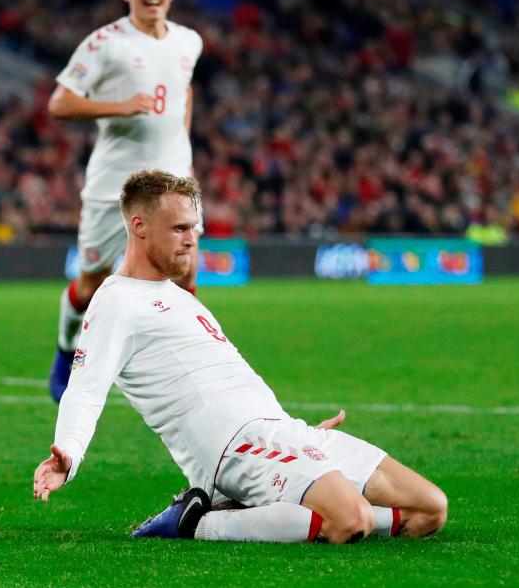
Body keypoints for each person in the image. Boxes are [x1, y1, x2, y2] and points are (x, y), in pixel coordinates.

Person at [33, 170, 448, 544]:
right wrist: (68, 455)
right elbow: (84, 389)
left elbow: (227, 378)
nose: (191, 239)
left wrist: (287, 430)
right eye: (178, 229)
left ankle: (283, 505)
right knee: (349, 521)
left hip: (282, 432)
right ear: (138, 227)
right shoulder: (116, 302)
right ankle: (196, 523)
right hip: (235, 447)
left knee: (431, 509)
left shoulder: (179, 298)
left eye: (193, 228)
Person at [46, 0, 204, 403]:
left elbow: (183, 92)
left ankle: (187, 371)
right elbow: (60, 103)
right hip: (113, 186)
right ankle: (65, 351)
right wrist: (118, 107)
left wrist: (184, 149)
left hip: (175, 180)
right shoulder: (105, 44)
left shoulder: (188, 41)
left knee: (185, 275)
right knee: (91, 282)